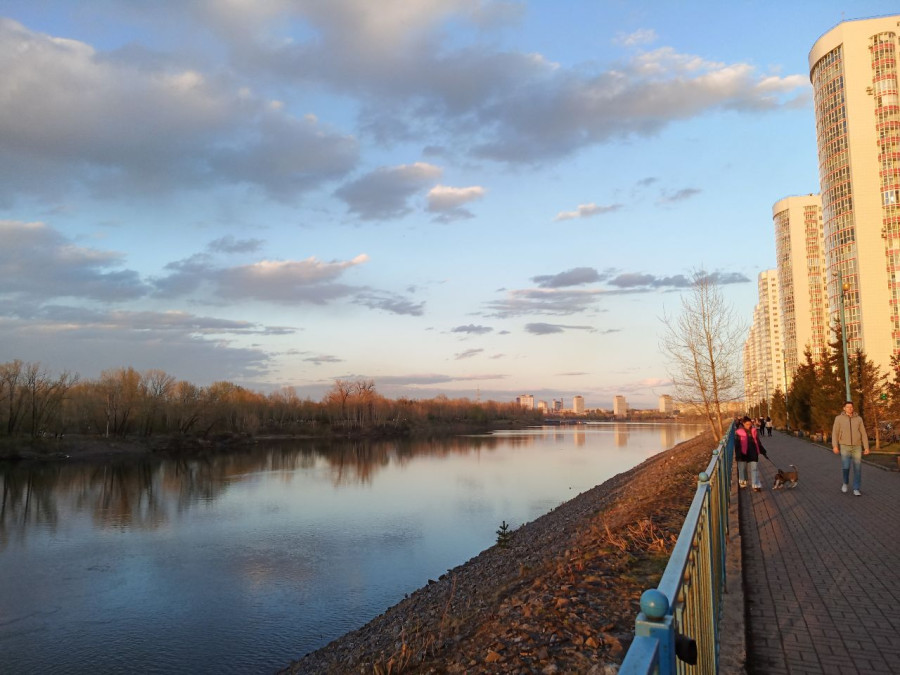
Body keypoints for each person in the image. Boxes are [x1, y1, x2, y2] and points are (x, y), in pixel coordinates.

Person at [832, 400, 869, 496]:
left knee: (857, 468)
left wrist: (866, 447)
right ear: (844, 408)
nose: (850, 409)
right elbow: (835, 433)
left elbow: (863, 433)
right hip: (844, 446)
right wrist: (835, 445)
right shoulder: (839, 418)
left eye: (851, 407)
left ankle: (856, 488)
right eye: (848, 407)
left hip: (857, 446)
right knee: (846, 467)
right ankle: (845, 483)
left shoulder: (858, 419)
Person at [734, 416, 768, 491]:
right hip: (742, 453)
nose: (749, 425)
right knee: (742, 469)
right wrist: (738, 455)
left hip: (753, 452)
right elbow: (737, 445)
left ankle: (755, 485)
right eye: (747, 424)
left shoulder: (754, 431)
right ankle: (743, 483)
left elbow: (758, 442)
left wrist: (763, 451)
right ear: (743, 424)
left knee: (754, 469)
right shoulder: (738, 432)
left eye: (750, 424)